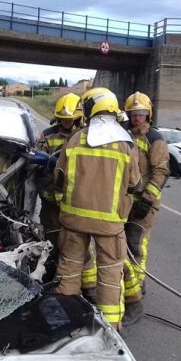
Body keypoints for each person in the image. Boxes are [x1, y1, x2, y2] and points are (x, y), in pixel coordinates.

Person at [53, 87, 141, 330]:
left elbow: (58, 178)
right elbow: (135, 184)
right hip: (110, 223)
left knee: (69, 267)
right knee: (111, 274)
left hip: (73, 219)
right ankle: (111, 325)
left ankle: (64, 319)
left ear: (91, 108)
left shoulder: (74, 139)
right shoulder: (126, 144)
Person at [120, 91, 169, 325]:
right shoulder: (124, 135)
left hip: (143, 203)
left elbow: (160, 172)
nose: (137, 118)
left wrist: (147, 200)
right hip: (125, 201)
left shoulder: (155, 139)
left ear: (148, 114)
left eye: (140, 114)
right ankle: (128, 283)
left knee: (135, 245)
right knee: (121, 245)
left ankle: (137, 289)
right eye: (133, 114)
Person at [38, 93, 82, 280]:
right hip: (52, 203)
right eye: (62, 119)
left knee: (76, 247)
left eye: (69, 119)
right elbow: (37, 170)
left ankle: (73, 282)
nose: (65, 122)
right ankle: (51, 279)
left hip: (77, 202)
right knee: (53, 244)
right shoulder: (47, 136)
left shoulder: (85, 136)